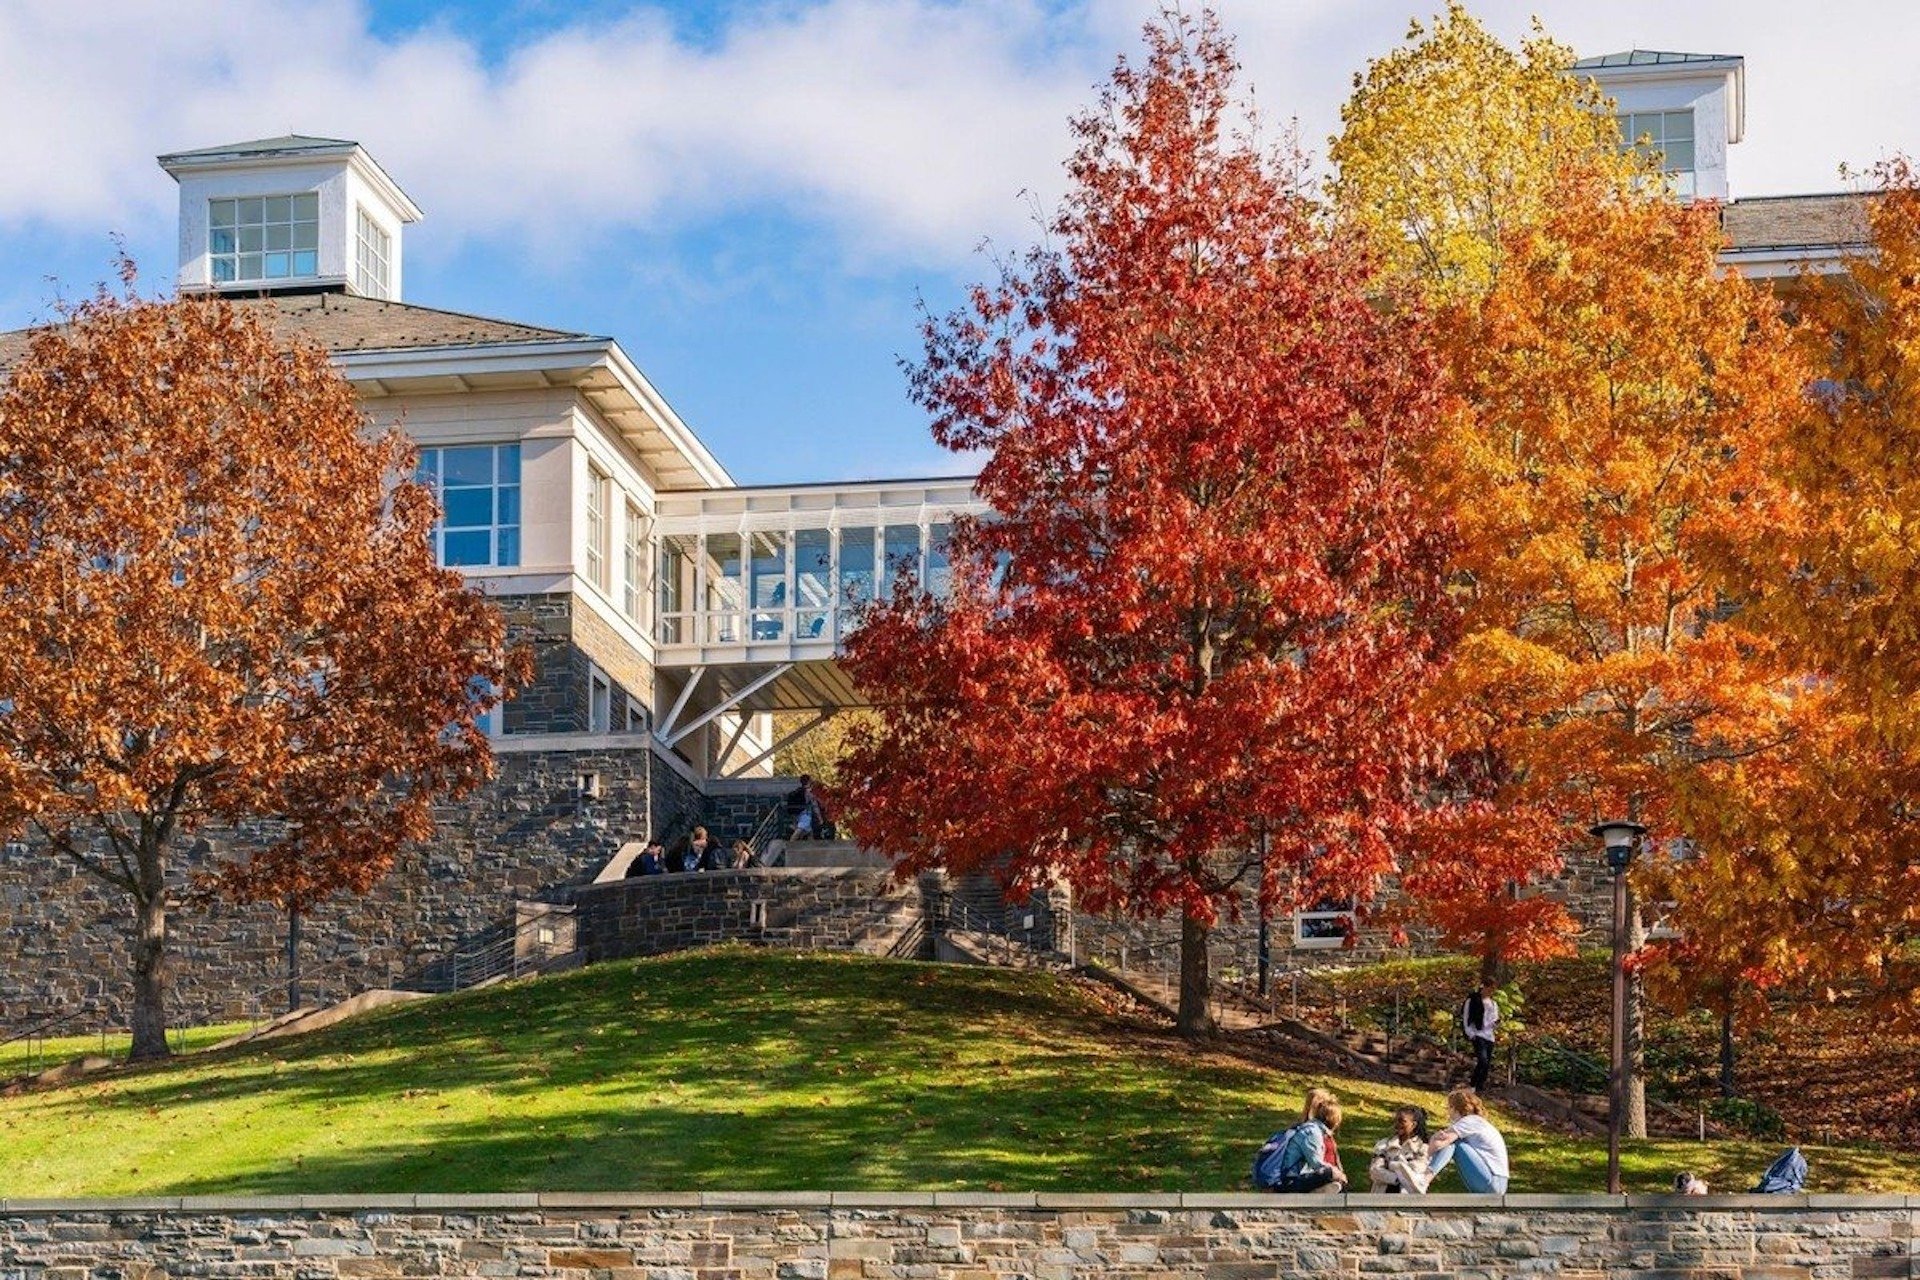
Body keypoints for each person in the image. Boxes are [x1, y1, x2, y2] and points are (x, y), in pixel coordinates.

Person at [1407, 1087, 1509, 1195]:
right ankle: (1422, 1176)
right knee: (1452, 1141)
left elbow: (1441, 1143)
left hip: (1493, 1181)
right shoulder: (1476, 1122)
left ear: (1455, 1108)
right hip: (1496, 1182)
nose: (1448, 1112)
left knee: (1453, 1143)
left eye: (1449, 1107)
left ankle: (1424, 1179)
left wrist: (1423, 1156)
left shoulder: (1469, 1121)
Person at [1369, 1106, 1431, 1193]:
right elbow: (1375, 1171)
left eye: (1402, 1121)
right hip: (1382, 1199)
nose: (1397, 1124)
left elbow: (1417, 1171)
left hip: (1408, 1201)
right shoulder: (1383, 1144)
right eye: (1396, 1120)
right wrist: (1397, 1178)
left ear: (1413, 1125)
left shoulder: (1422, 1148)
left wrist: (1391, 1165)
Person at [1462, 980, 1500, 1091]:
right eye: (1489, 989)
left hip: (1489, 1035)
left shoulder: (1493, 1004)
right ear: (1483, 987)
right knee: (1482, 1060)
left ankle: (1480, 1087)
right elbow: (1466, 1018)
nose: (1490, 992)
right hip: (1477, 1034)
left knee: (1486, 1064)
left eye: (1492, 990)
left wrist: (1495, 1023)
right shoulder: (1472, 1000)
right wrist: (1470, 1033)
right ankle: (1472, 1084)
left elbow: (1493, 1019)